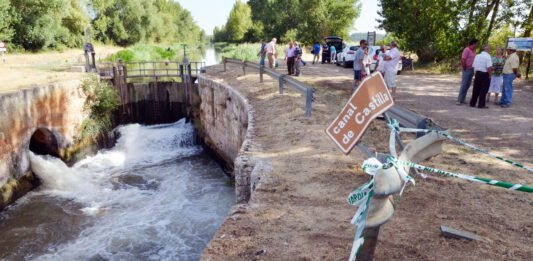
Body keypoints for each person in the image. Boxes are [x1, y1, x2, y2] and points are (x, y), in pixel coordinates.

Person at [499, 43, 521, 108]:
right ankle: (503, 101)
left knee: (507, 89)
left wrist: (516, 74)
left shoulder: (513, 57)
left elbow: (514, 68)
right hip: (507, 75)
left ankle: (507, 102)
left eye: (508, 50)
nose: (507, 51)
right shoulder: (511, 56)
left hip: (509, 75)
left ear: (511, 50)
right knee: (505, 88)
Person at [457, 39, 478, 105]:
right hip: (467, 69)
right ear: (474, 43)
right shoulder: (467, 49)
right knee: (464, 84)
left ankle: (463, 99)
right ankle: (459, 100)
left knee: (468, 85)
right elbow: (463, 59)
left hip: (471, 69)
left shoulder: (473, 50)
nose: (477, 45)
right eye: (476, 43)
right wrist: (464, 67)